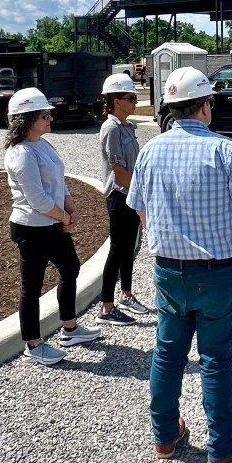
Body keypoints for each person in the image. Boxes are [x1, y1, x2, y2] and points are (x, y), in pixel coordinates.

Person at [128, 66, 232, 463]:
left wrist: (163, 238)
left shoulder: (150, 150)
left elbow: (139, 207)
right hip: (218, 269)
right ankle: (222, 447)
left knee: (167, 354)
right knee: (216, 358)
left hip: (169, 270)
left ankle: (165, 436)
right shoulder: (225, 150)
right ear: (205, 106)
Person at [5, 88, 101, 366]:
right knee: (31, 286)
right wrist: (64, 217)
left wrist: (69, 208)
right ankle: (33, 345)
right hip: (32, 227)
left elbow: (60, 182)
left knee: (70, 268)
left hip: (53, 222)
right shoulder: (21, 153)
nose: (50, 119)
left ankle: (69, 329)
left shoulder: (44, 145)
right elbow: (37, 200)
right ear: (26, 119)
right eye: (44, 115)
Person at [97, 73, 149, 326]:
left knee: (129, 248)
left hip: (131, 195)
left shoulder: (127, 127)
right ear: (117, 101)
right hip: (120, 197)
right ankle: (107, 308)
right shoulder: (111, 128)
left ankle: (126, 295)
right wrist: (139, 193)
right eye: (131, 98)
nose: (135, 102)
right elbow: (117, 168)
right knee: (117, 250)